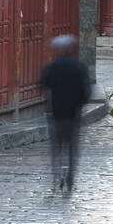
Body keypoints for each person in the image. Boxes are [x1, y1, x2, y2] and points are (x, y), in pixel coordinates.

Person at [40, 34, 92, 192]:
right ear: (70, 49)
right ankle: (69, 177)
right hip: (73, 114)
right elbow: (86, 91)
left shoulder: (52, 67)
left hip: (56, 113)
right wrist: (79, 104)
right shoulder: (78, 66)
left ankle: (56, 177)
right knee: (71, 148)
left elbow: (43, 85)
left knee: (57, 147)